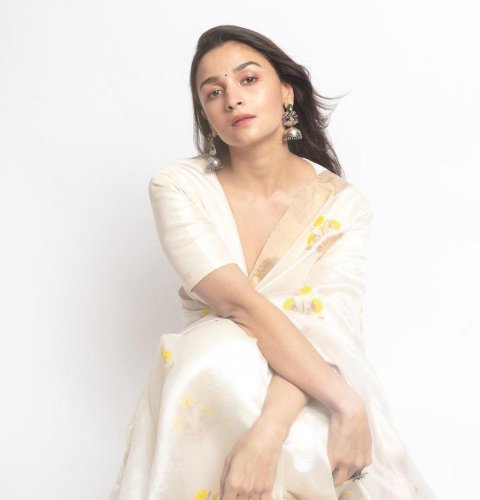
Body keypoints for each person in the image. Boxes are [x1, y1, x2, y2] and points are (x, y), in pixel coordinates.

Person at [108, 25, 437, 500]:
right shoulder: (178, 188)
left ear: (286, 91)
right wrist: (343, 402)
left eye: (248, 80)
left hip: (312, 383)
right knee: (216, 357)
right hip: (219, 383)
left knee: (310, 435)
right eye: (213, 92)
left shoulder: (343, 205)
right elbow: (237, 305)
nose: (233, 100)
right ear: (206, 115)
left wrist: (270, 432)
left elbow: (325, 328)